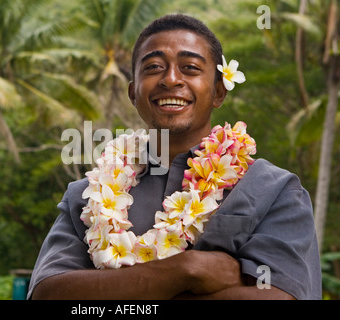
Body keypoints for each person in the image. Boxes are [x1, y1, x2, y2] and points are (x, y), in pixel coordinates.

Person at [28, 14, 321, 300]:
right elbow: (48, 292)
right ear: (133, 93)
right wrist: (187, 270)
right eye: (154, 67)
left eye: (190, 68)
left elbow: (280, 294)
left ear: (219, 91)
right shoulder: (88, 197)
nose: (170, 79)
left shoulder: (274, 190)